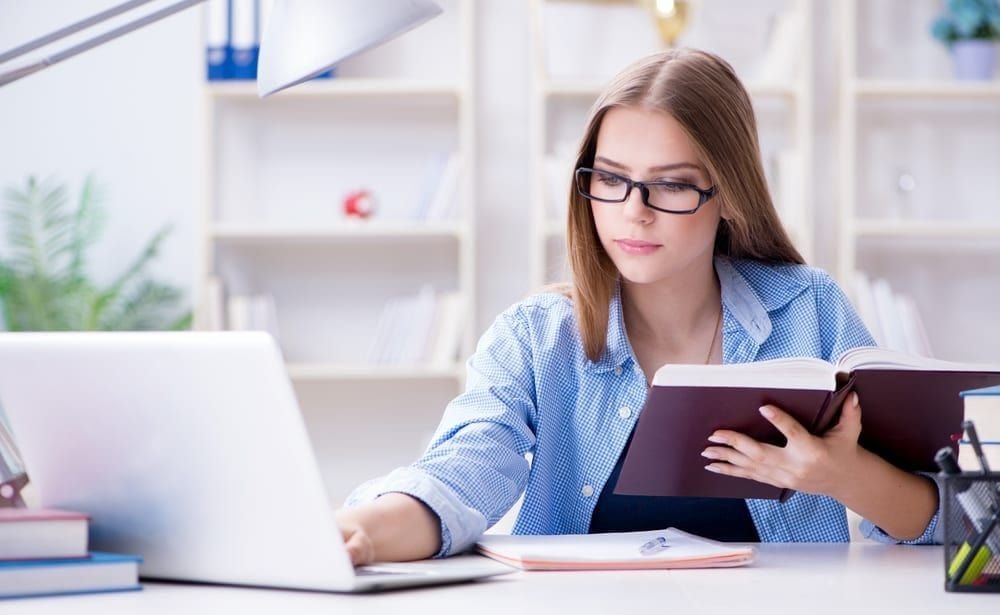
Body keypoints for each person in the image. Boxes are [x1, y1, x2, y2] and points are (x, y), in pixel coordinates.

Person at [335, 48, 940, 565]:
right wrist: (358, 532)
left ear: (728, 194)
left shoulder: (810, 312)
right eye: (611, 178)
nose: (634, 211)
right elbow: (459, 475)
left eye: (672, 184)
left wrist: (841, 475)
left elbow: (953, 518)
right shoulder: (536, 339)